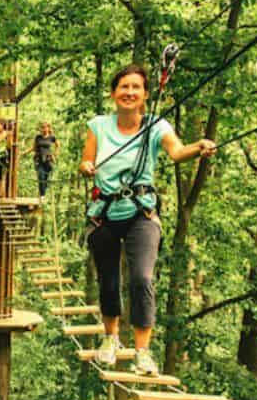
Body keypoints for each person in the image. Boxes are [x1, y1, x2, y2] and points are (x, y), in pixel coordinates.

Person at [79, 64, 215, 376]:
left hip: (141, 212)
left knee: (142, 278)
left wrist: (199, 147)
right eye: (123, 87)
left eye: (135, 87)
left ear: (145, 94)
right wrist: (86, 166)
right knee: (109, 280)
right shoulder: (98, 125)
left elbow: (177, 152)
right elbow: (87, 159)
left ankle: (142, 351)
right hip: (104, 214)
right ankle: (110, 338)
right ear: (114, 94)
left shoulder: (156, 126)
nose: (129, 92)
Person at [23, 121, 60, 200]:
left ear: (48, 128)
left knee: (45, 178)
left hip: (48, 159)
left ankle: (44, 192)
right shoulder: (38, 137)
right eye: (42, 127)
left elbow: (58, 146)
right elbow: (33, 147)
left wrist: (54, 155)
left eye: (45, 127)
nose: (43, 129)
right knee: (41, 176)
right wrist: (24, 153)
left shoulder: (52, 137)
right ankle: (42, 195)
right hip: (39, 159)